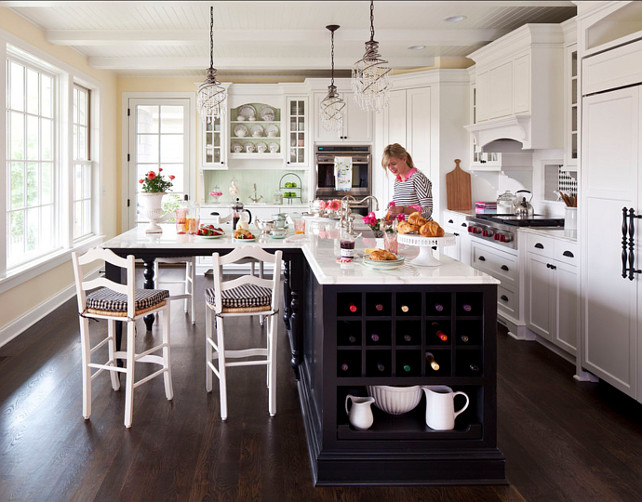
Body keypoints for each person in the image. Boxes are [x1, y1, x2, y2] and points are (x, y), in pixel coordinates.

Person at [382, 143, 433, 223]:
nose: (391, 168)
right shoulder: (398, 182)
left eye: (393, 164)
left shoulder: (418, 178)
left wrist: (403, 209)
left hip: (420, 231)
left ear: (404, 159)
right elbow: (402, 214)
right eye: (388, 165)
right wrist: (391, 218)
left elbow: (428, 211)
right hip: (405, 231)